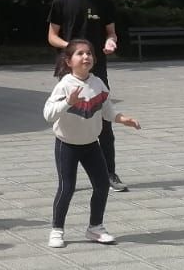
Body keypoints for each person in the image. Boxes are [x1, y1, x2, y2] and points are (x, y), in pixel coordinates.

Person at [44, 39, 141, 248]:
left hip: (91, 144)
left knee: (102, 184)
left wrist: (123, 119)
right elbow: (48, 115)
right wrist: (68, 102)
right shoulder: (64, 85)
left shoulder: (97, 83)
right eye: (79, 53)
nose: (86, 56)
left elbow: (107, 110)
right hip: (66, 145)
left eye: (89, 53)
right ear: (69, 61)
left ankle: (95, 228)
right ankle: (57, 230)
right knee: (67, 187)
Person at [47, 0, 128, 191]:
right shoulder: (62, 0)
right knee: (68, 117)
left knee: (104, 118)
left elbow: (111, 33)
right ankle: (66, 177)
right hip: (68, 69)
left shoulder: (103, 1)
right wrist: (72, 49)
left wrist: (111, 42)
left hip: (97, 68)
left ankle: (109, 173)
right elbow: (51, 36)